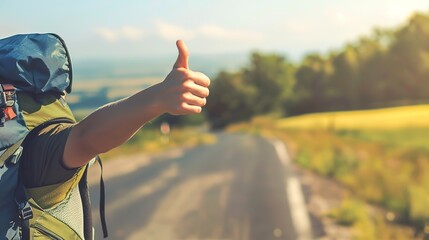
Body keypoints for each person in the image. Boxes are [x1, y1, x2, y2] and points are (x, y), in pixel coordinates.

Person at [16, 39, 210, 239]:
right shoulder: (34, 157)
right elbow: (85, 139)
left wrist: (157, 98)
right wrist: (158, 98)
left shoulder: (31, 156)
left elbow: (87, 137)